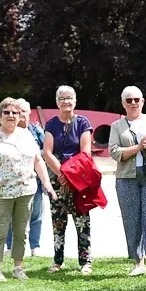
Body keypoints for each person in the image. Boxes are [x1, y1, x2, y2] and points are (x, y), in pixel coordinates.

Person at [0, 98, 48, 282]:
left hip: (25, 190)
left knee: (22, 230)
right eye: (7, 113)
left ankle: (18, 267)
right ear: (0, 115)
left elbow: (37, 160)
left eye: (15, 113)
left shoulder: (26, 135)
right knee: (0, 230)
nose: (11, 116)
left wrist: (47, 183)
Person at [108, 85, 146, 280]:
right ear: (123, 104)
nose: (133, 103)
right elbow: (114, 152)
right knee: (132, 219)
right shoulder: (117, 126)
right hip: (127, 178)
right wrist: (137, 147)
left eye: (137, 100)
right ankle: (138, 262)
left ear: (143, 101)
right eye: (129, 100)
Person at [42, 85, 94, 274]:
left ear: (75, 101)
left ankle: (86, 262)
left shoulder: (83, 123)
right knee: (58, 220)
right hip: (57, 179)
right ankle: (57, 261)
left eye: (69, 98)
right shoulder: (51, 124)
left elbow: (85, 153)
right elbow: (47, 152)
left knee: (82, 220)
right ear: (57, 102)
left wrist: (70, 175)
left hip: (78, 179)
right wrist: (62, 174)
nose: (66, 101)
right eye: (62, 98)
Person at [19, 100, 47, 255]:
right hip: (14, 181)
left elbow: (47, 149)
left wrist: (34, 154)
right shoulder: (8, 131)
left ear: (30, 112)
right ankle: (11, 246)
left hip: (34, 179)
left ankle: (34, 246)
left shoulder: (36, 131)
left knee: (36, 214)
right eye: (19, 111)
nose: (22, 114)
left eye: (24, 111)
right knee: (13, 216)